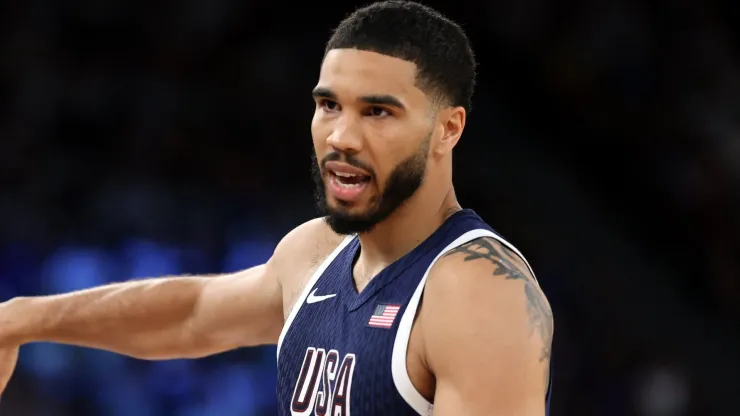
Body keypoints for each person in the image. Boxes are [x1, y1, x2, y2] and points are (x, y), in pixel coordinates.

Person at [0, 1, 553, 415]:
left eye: (378, 113)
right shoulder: (314, 252)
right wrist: (22, 318)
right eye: (329, 105)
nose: (341, 136)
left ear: (447, 129)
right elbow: (192, 314)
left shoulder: (479, 292)